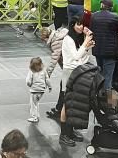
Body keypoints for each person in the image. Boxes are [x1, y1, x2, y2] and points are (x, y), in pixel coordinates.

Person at [58, 16, 93, 147]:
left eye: (82, 24)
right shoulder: (68, 39)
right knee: (66, 105)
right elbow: (76, 56)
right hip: (69, 73)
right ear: (72, 25)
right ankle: (63, 135)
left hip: (77, 72)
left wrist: (87, 46)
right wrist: (86, 42)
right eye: (78, 24)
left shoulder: (77, 39)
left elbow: (83, 58)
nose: (81, 27)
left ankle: (70, 131)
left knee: (73, 104)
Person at [89, 0, 118, 95]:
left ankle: (98, 95)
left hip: (98, 50)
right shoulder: (115, 17)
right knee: (108, 76)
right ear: (111, 7)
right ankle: (108, 100)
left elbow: (91, 31)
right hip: (110, 52)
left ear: (102, 6)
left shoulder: (94, 16)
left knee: (100, 73)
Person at [44, 24, 70, 120]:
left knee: (64, 87)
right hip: (70, 66)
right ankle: (60, 109)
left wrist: (46, 76)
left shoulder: (55, 43)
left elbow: (53, 62)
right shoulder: (59, 35)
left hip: (70, 67)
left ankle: (60, 110)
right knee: (64, 87)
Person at [26, 56, 51, 123]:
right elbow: (47, 79)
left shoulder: (31, 71)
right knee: (36, 102)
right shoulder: (44, 71)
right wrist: (50, 86)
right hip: (41, 91)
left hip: (34, 91)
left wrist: (29, 84)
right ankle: (37, 115)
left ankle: (34, 117)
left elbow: (28, 81)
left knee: (33, 104)